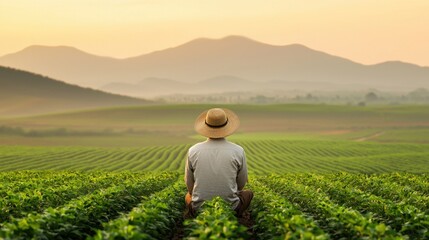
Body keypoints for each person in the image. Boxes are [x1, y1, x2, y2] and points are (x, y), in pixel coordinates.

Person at [184, 108, 253, 218]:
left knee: (188, 196)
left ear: (205, 126)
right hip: (230, 207)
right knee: (248, 194)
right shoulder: (238, 150)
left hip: (200, 207)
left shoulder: (193, 150)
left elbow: (189, 184)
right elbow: (241, 184)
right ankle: (239, 216)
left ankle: (194, 215)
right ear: (227, 127)